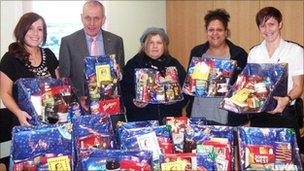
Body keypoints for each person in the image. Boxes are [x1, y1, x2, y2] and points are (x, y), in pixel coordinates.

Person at [248, 7, 303, 151]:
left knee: (287, 161)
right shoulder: (254, 52)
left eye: (271, 24)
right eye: (262, 26)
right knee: (258, 160)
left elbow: (298, 87)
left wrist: (286, 99)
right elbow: (251, 85)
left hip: (285, 113)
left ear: (280, 24)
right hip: (259, 115)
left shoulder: (295, 51)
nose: (267, 30)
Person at [59, 0, 124, 112]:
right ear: (81, 18)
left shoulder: (116, 41)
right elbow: (64, 78)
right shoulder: (68, 42)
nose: (91, 23)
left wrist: (120, 73)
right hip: (81, 107)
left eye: (96, 18)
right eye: (87, 18)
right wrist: (77, 98)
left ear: (103, 19)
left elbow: (121, 70)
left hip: (110, 106)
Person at [186, 9, 248, 126]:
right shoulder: (197, 52)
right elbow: (190, 84)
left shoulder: (239, 54)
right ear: (206, 32)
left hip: (228, 119)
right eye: (211, 30)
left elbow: (244, 88)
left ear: (226, 32)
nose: (215, 33)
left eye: (219, 30)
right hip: (198, 116)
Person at [0, 12, 59, 126]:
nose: (35, 33)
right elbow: (5, 94)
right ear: (22, 30)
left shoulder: (49, 54)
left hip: (52, 121)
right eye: (30, 28)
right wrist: (18, 112)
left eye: (40, 29)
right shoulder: (10, 59)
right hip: (25, 121)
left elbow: (58, 87)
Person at [121, 27, 187, 124]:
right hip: (141, 122)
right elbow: (123, 92)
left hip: (169, 122)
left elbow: (186, 89)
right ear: (144, 45)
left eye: (159, 43)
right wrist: (133, 103)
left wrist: (176, 103)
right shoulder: (133, 64)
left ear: (164, 45)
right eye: (151, 42)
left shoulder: (174, 64)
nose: (155, 46)